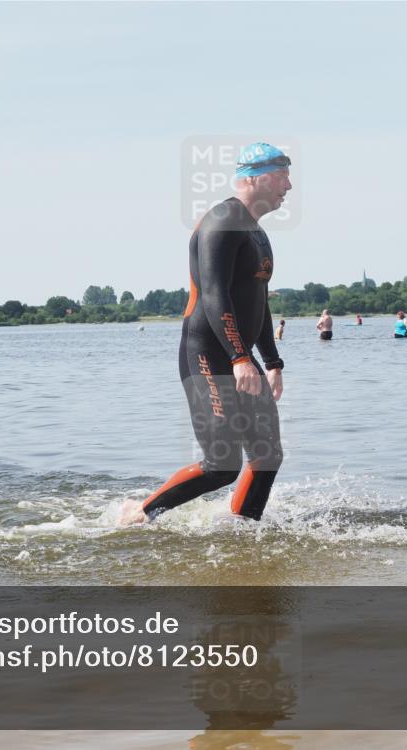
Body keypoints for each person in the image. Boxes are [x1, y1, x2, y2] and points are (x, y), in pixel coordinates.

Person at [119, 142, 290, 525]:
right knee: (222, 463)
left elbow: (258, 302)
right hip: (208, 355)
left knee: (267, 455)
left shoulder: (256, 231)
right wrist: (241, 358)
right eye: (282, 176)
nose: (289, 186)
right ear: (257, 177)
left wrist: (273, 361)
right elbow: (215, 296)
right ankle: (140, 514)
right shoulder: (222, 222)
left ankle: (244, 530)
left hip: (238, 356)